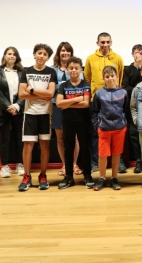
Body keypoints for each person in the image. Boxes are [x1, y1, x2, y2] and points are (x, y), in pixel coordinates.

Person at [18, 43, 57, 191]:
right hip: (30, 113)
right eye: (39, 53)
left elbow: (50, 94)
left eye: (45, 54)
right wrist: (42, 93)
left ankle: (43, 175)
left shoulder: (51, 72)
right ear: (34, 54)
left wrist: (32, 89)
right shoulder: (26, 71)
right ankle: (26, 176)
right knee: (28, 145)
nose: (41, 56)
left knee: (45, 145)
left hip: (46, 113)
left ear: (48, 57)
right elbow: (22, 94)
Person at [84, 32, 125, 173]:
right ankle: (96, 162)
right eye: (102, 42)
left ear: (111, 43)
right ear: (97, 43)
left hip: (115, 101)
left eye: (108, 42)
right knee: (97, 132)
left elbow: (121, 77)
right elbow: (87, 79)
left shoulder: (118, 58)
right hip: (98, 99)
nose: (105, 45)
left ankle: (119, 163)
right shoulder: (90, 59)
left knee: (118, 133)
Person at [55, 57, 94, 189]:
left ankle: (88, 176)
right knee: (68, 149)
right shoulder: (63, 86)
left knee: (85, 148)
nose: (73, 70)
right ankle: (69, 177)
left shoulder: (86, 84)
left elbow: (86, 103)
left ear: (81, 70)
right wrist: (77, 98)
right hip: (67, 121)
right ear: (67, 70)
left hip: (83, 121)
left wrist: (68, 103)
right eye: (71, 68)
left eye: (76, 68)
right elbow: (59, 103)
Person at [90, 65, 129, 191]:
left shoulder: (123, 93)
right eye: (107, 77)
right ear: (103, 78)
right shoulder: (99, 93)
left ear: (117, 77)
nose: (110, 78)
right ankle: (102, 178)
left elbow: (126, 110)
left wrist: (124, 124)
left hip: (119, 128)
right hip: (104, 129)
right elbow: (94, 111)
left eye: (112, 76)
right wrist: (97, 125)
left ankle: (114, 178)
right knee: (103, 155)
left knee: (116, 154)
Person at [0, 47, 25, 178]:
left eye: (14, 54)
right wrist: (8, 107)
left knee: (18, 138)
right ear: (4, 56)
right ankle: (4, 166)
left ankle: (19, 164)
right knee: (4, 139)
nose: (11, 56)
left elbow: (25, 91)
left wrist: (17, 106)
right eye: (9, 54)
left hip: (18, 111)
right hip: (3, 112)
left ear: (17, 57)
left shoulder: (22, 73)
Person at [52, 42, 81, 178]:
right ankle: (65, 164)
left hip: (73, 106)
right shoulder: (53, 70)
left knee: (74, 137)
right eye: (63, 51)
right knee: (60, 137)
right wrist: (63, 85)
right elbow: (51, 88)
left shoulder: (75, 68)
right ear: (59, 52)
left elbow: (80, 85)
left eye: (68, 51)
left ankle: (74, 164)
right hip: (57, 106)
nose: (65, 53)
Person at [122, 44, 142, 174]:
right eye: (137, 52)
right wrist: (138, 90)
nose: (139, 55)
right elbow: (125, 87)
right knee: (134, 134)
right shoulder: (128, 69)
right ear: (132, 54)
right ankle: (138, 161)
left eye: (141, 53)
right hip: (132, 107)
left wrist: (141, 67)